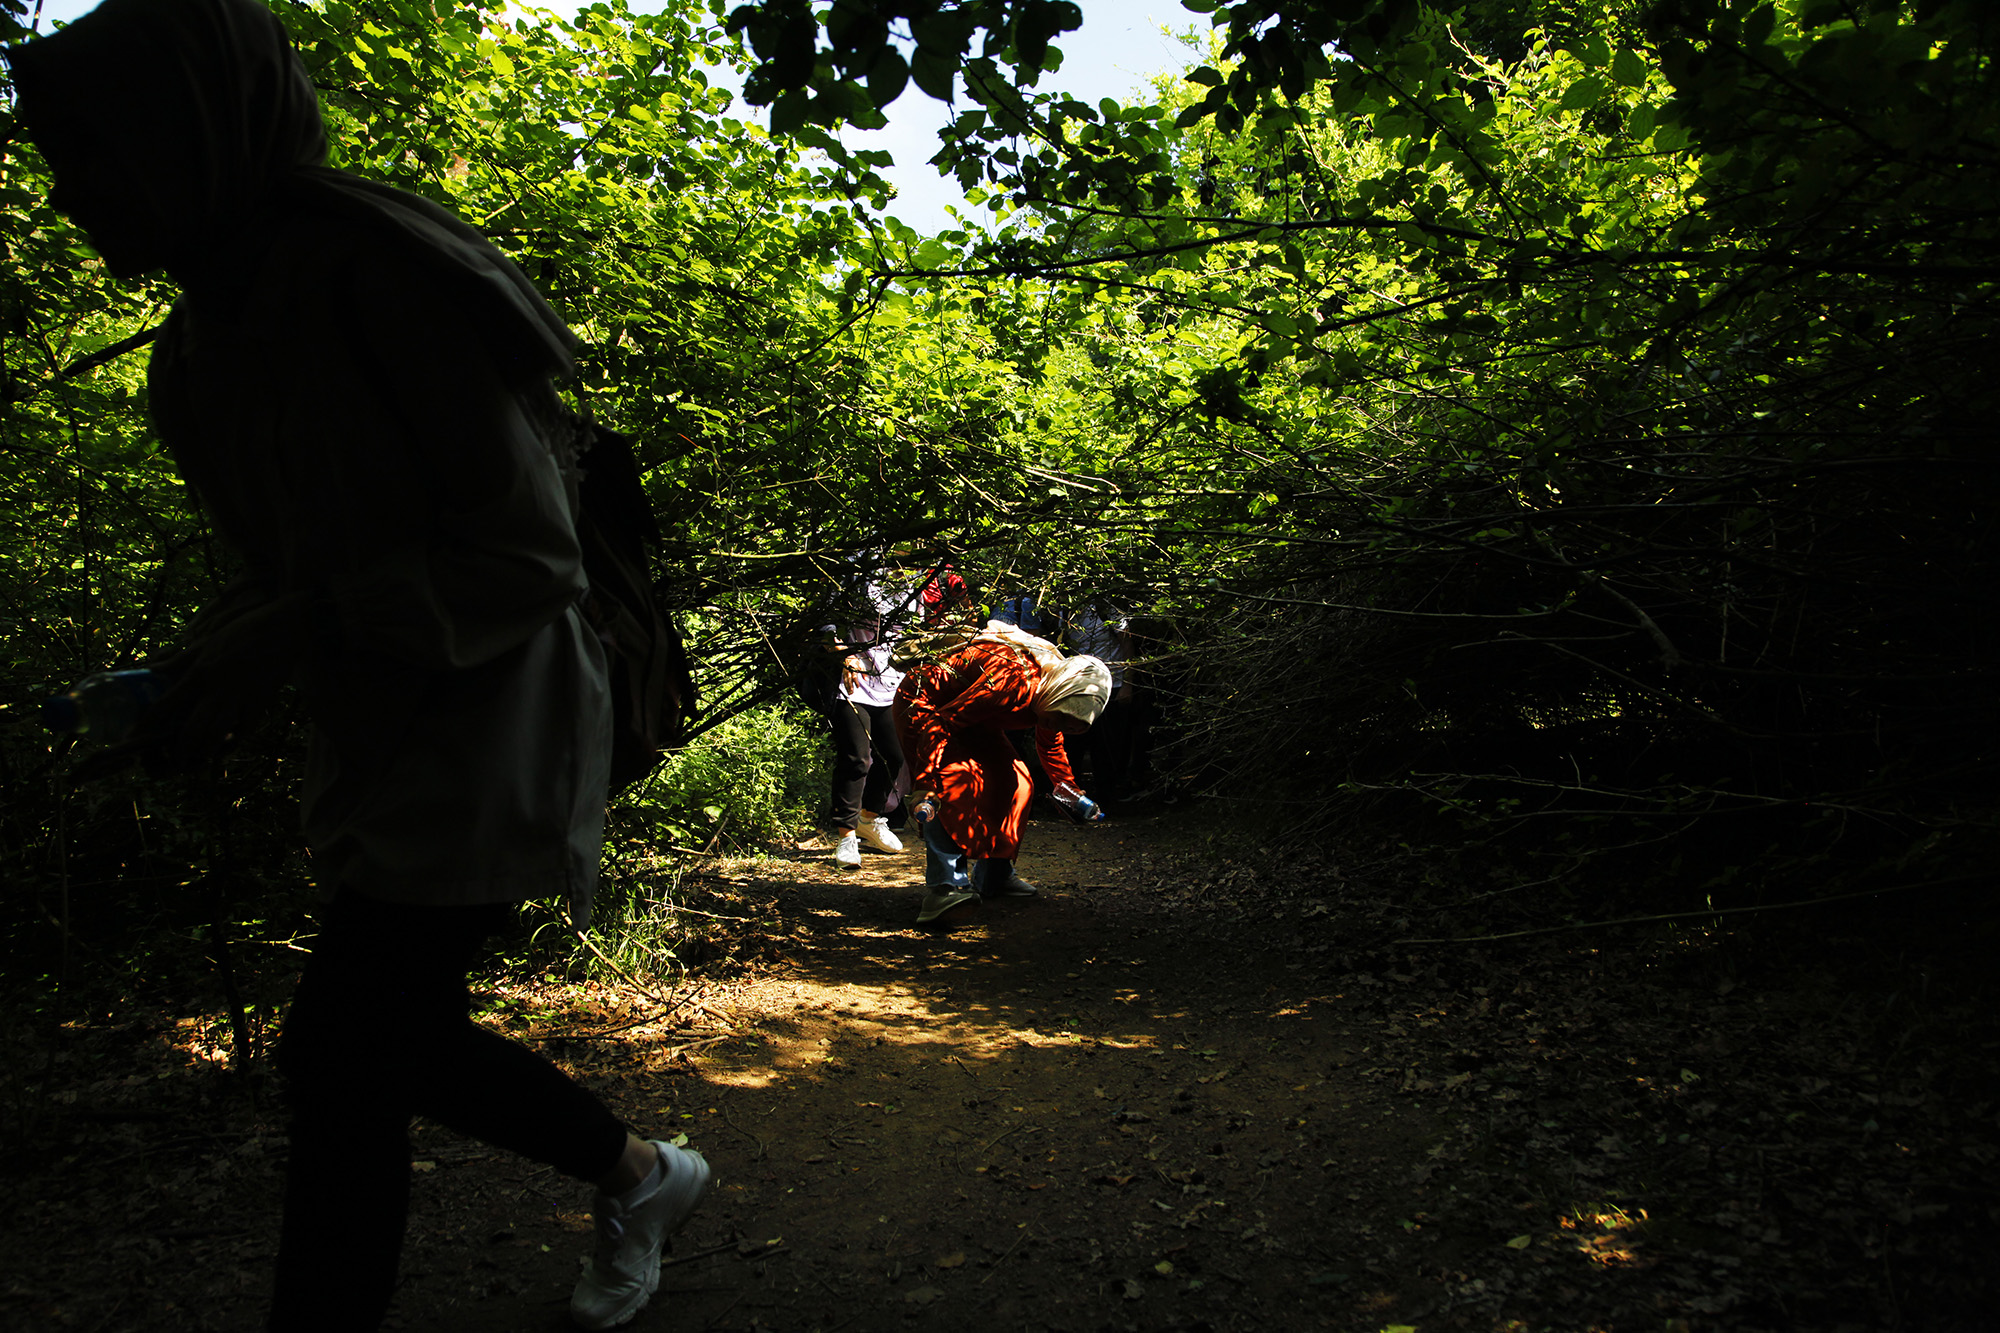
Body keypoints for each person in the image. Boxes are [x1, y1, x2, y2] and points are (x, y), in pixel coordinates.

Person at [6, 1, 707, 1328]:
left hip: (492, 729)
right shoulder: (203, 339)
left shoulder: (367, 274)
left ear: (187, 136)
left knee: (345, 1053)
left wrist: (278, 640)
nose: (66, 192)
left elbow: (526, 557)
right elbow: (284, 580)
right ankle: (642, 1173)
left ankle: (642, 1173)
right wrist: (199, 678)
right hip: (386, 734)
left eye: (88, 152)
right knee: (377, 1045)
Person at [893, 622, 1111, 926]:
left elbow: (1050, 745)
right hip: (927, 705)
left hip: (973, 715)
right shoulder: (1012, 683)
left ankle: (995, 874)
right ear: (1055, 697)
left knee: (1018, 783)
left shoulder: (1051, 696)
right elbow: (938, 726)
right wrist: (925, 784)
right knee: (953, 786)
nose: (1060, 727)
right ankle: (944, 888)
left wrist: (1070, 791)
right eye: (1061, 719)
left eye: (1072, 726)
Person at [815, 561, 909, 869]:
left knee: (894, 757)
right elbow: (825, 621)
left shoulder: (917, 583)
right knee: (856, 758)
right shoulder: (859, 570)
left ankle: (869, 819)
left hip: (892, 683)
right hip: (853, 684)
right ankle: (846, 837)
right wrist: (844, 653)